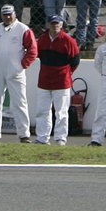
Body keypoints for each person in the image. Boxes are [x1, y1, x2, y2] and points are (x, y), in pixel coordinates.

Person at [0, 2, 38, 142]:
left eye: (10, 14)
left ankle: (24, 135)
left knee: (19, 103)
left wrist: (21, 66)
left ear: (15, 14)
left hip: (16, 72)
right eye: (5, 15)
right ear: (1, 15)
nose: (7, 17)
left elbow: (33, 51)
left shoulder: (23, 29)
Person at [32, 13, 80, 145]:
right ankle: (42, 137)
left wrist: (66, 73)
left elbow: (75, 61)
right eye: (52, 23)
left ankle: (60, 138)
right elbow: (38, 55)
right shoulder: (42, 39)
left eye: (57, 23)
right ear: (48, 25)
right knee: (42, 111)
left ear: (61, 24)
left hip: (62, 82)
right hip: (44, 81)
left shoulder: (69, 41)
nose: (55, 26)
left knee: (62, 112)